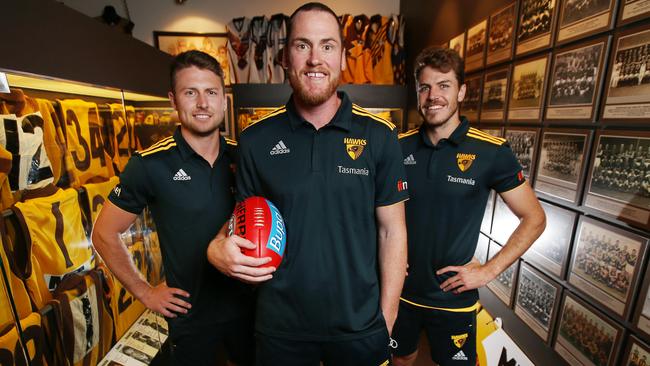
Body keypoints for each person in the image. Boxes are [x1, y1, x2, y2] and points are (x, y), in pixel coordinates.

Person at [207, 3, 408, 365]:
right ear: (286, 57)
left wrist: (386, 319)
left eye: (327, 46)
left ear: (343, 57)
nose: (315, 59)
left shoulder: (380, 136)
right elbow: (246, 217)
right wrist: (214, 248)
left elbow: (392, 231)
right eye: (303, 46)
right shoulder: (255, 139)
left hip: (360, 327)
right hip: (280, 327)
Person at [92, 50, 259, 366]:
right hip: (190, 318)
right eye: (190, 92)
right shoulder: (150, 164)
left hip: (251, 311)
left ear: (223, 100)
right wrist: (144, 292)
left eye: (210, 92)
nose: (202, 103)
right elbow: (103, 233)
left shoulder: (244, 157)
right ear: (173, 100)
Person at [392, 47, 546, 366]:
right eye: (425, 87)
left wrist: (488, 271)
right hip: (400, 292)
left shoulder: (491, 151)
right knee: (401, 358)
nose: (433, 95)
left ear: (461, 91)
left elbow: (534, 218)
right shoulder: (397, 147)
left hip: (454, 298)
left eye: (444, 85)